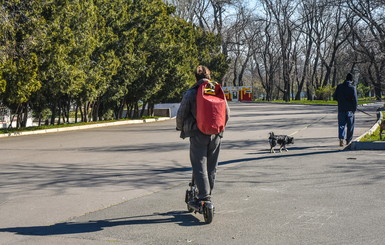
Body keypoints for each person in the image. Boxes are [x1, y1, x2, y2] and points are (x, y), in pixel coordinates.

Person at [176, 65, 230, 205]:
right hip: (217, 133)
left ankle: (203, 197)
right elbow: (227, 113)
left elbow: (181, 113)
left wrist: (180, 127)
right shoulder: (216, 90)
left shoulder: (192, 92)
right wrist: (219, 129)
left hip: (198, 133)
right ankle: (207, 194)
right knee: (211, 167)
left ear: (196, 77)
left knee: (199, 165)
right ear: (209, 76)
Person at [333, 73, 358, 146]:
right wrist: (354, 109)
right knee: (350, 126)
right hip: (350, 110)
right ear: (351, 80)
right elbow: (355, 100)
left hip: (341, 109)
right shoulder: (352, 88)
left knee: (341, 125)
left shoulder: (339, 87)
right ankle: (348, 140)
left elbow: (334, 97)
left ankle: (341, 138)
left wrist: (341, 101)